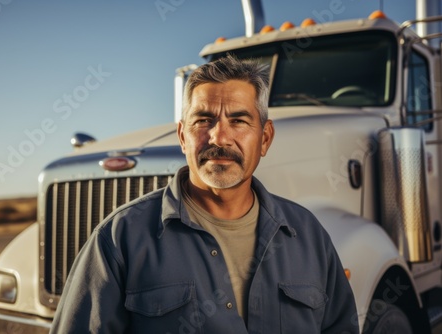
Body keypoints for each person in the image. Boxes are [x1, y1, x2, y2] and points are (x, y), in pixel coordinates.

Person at [50, 55, 359, 333]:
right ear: (183, 137)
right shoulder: (120, 239)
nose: (219, 137)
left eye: (238, 120)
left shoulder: (309, 236)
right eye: (203, 121)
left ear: (265, 139)